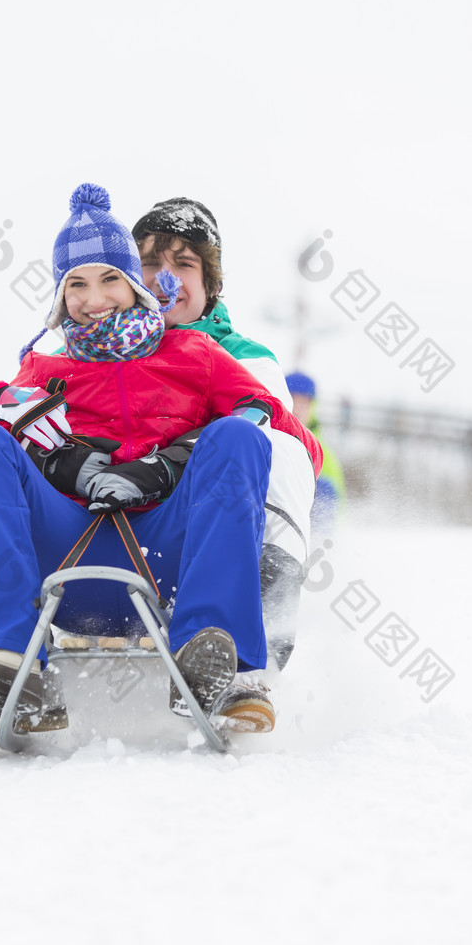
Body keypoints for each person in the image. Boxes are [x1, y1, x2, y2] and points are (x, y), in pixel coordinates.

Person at [0, 183, 322, 739]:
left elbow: (290, 439)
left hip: (166, 561)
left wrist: (177, 457)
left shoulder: (196, 355)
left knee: (242, 438)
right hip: (68, 552)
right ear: (61, 298)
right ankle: (8, 660)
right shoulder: (44, 369)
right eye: (76, 284)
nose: (94, 296)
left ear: (134, 286)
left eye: (111, 278)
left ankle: (219, 660)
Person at [131, 198, 318, 670]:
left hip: (212, 534)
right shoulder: (99, 350)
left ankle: (256, 637)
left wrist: (181, 450)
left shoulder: (244, 357)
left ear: (209, 284)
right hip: (119, 531)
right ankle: (6, 642)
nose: (164, 276)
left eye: (183, 263)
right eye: (150, 263)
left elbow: (273, 421)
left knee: (273, 445)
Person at [285, 371, 346, 533]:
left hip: (304, 529)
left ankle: (317, 549)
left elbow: (337, 503)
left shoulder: (324, 454)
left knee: (324, 488)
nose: (297, 408)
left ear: (313, 407)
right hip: (270, 518)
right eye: (292, 400)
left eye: (303, 403)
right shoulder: (265, 436)